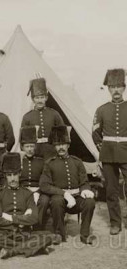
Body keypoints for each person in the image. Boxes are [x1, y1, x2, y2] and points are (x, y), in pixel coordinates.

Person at [0, 153, 54, 260]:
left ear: (19, 173)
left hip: (25, 232)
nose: (12, 179)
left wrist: (11, 218)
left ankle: (12, 251)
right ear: (5, 176)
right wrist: (21, 220)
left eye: (15, 174)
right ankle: (34, 247)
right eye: (9, 175)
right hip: (6, 233)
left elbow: (34, 218)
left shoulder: (27, 193)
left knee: (48, 237)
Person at [40, 126, 95, 244]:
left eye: (63, 144)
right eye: (57, 145)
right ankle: (59, 234)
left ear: (68, 145)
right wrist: (64, 194)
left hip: (77, 197)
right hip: (60, 199)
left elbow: (84, 181)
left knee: (90, 202)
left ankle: (85, 235)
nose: (60, 147)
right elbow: (44, 185)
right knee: (56, 201)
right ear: (54, 147)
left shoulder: (77, 162)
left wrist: (85, 189)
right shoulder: (50, 164)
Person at [92, 68, 127, 235]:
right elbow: (96, 133)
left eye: (119, 86)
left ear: (124, 88)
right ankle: (115, 223)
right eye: (113, 87)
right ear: (108, 89)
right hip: (108, 154)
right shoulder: (101, 110)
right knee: (111, 190)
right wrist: (103, 149)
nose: (116, 90)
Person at [21, 77, 64, 159]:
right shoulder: (27, 117)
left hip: (52, 151)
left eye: (42, 97)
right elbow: (24, 139)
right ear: (33, 99)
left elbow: (62, 135)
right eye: (37, 98)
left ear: (46, 98)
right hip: (35, 152)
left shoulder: (54, 114)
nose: (39, 100)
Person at [19, 126, 50, 228]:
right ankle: (23, 225)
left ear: (35, 147)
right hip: (22, 190)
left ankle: (38, 226)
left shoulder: (41, 161)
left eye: (32, 146)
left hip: (38, 190)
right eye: (27, 146)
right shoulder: (18, 161)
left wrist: (38, 192)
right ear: (22, 147)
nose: (29, 149)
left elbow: (44, 180)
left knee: (44, 200)